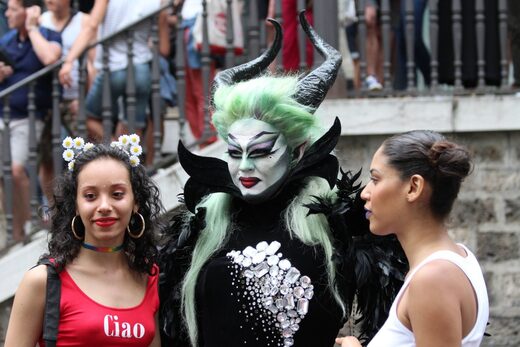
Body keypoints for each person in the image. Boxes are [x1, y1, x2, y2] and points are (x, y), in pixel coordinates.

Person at [159, 13, 407, 347]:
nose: (244, 167)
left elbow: (396, 301)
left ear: (298, 150)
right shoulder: (202, 223)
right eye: (234, 152)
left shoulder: (337, 219)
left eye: (261, 151)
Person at [4, 134, 163, 346]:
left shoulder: (148, 277)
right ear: (76, 205)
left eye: (117, 194)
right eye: (90, 196)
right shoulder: (42, 281)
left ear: (135, 203)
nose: (104, 206)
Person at [336, 130, 489, 347]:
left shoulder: (433, 278)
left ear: (413, 187)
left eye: (375, 179)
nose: (365, 193)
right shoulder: (460, 257)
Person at [58, 0, 168, 141]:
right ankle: (127, 158)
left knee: (85, 117)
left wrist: (68, 61)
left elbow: (91, 27)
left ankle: (117, 152)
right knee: (133, 126)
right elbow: (164, 49)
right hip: (141, 68)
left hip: (113, 68)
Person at [0, 0, 61, 242]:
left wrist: (33, 28)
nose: (7, 14)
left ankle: (30, 225)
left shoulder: (48, 34)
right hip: (5, 116)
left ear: (29, 10)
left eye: (13, 9)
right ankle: (17, 233)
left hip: (32, 117)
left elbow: (49, 59)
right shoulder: (6, 41)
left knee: (16, 170)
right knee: (4, 175)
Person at [38, 0, 92, 202]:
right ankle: (52, 209)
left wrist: (84, 98)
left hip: (76, 99)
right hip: (48, 102)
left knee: (81, 156)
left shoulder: (83, 21)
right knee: (49, 156)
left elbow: (94, 61)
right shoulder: (41, 21)